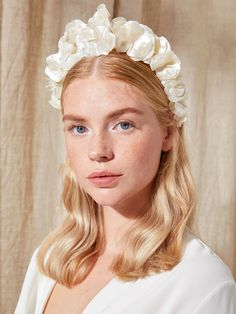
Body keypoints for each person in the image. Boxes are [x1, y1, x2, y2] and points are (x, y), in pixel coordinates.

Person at [15, 4, 235, 314]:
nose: (98, 150)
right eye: (79, 128)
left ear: (168, 133)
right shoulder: (51, 260)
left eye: (123, 124)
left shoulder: (201, 283)